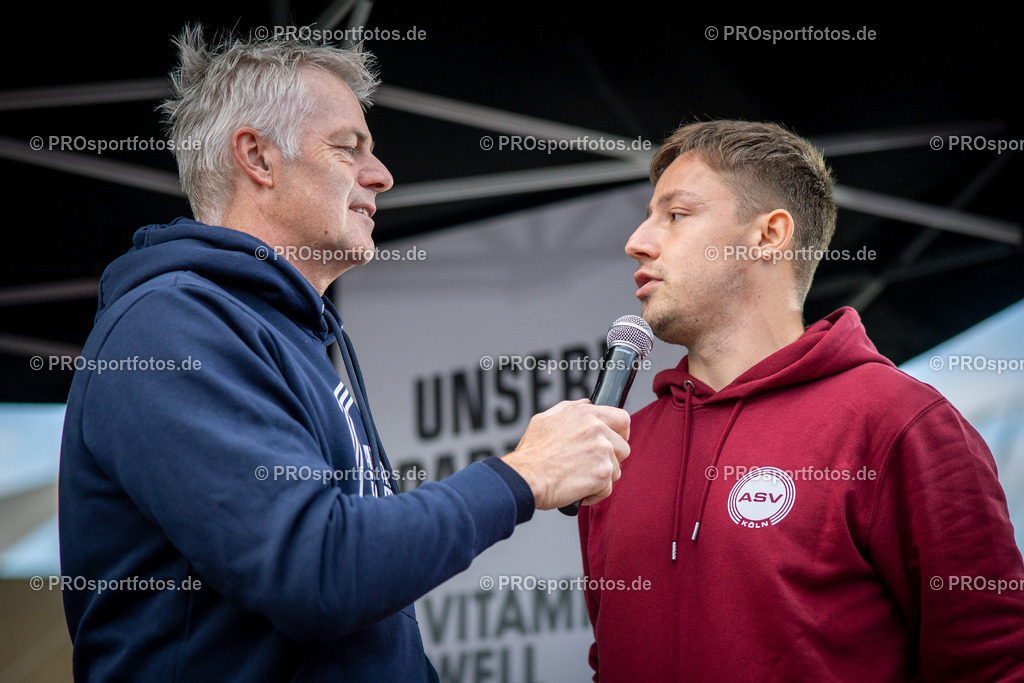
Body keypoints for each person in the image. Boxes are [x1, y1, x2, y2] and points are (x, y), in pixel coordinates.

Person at [58, 26, 630, 681]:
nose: (381, 175)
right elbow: (316, 571)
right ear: (258, 157)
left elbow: (368, 630)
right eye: (347, 147)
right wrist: (523, 476)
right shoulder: (169, 325)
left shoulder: (295, 334)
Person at [578, 120, 1024, 681]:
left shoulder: (898, 421)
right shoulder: (620, 447)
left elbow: (991, 664)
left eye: (676, 215)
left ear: (770, 235)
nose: (637, 241)